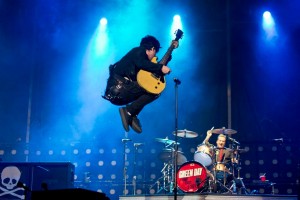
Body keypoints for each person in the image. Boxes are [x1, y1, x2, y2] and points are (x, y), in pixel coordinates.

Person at [102, 35, 179, 133]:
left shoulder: (139, 60)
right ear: (152, 49)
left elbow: (153, 69)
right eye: (155, 53)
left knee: (151, 88)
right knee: (154, 91)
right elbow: (146, 65)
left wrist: (170, 51)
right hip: (119, 89)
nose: (154, 57)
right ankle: (129, 111)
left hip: (118, 92)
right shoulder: (138, 51)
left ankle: (132, 114)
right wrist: (160, 68)